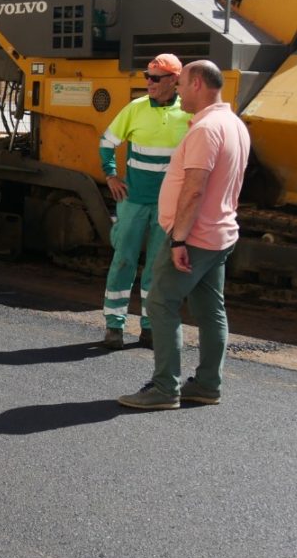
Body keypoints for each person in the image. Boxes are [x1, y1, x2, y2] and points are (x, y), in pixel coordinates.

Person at [118, 60, 250, 409]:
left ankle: (165, 388)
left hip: (194, 238)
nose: (176, 90)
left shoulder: (207, 130)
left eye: (181, 84)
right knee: (211, 310)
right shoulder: (234, 124)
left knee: (161, 303)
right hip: (219, 235)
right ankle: (208, 384)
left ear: (197, 84)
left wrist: (178, 239)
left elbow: (194, 189)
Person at [98, 54, 192, 350]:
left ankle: (150, 327)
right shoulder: (135, 109)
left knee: (157, 267)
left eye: (155, 78)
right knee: (123, 260)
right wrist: (111, 176)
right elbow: (107, 143)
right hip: (134, 201)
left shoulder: (189, 113)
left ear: (175, 80)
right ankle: (114, 326)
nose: (148, 83)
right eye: (147, 77)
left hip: (167, 207)